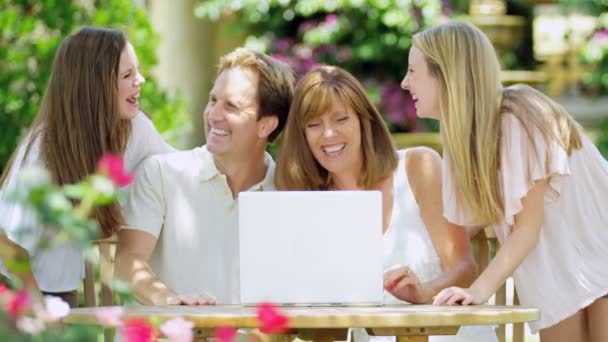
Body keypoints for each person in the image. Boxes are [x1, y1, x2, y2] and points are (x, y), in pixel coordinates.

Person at [403, 22, 608, 341]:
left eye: (413, 71)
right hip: (560, 274)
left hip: (597, 255)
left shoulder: (517, 114)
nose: (404, 83)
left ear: (446, 74)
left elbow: (528, 226)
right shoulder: (462, 140)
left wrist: (478, 289)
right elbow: (472, 221)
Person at [275, 65, 497, 341]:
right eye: (314, 124)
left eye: (341, 119)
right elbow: (326, 331)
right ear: (303, 136)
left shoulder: (418, 167)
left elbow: (465, 269)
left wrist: (424, 292)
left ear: (363, 120)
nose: (328, 134)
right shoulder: (312, 205)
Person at [0, 26, 174, 307]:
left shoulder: (134, 128)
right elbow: (7, 242)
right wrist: (40, 310)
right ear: (95, 88)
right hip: (22, 293)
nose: (140, 80)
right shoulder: (42, 153)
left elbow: (177, 168)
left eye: (137, 71)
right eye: (127, 75)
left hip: (61, 293)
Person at [114, 47, 295, 306]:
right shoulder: (161, 173)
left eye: (231, 106)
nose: (213, 115)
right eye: (213, 100)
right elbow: (127, 260)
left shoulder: (291, 193)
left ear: (266, 125)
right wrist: (170, 302)